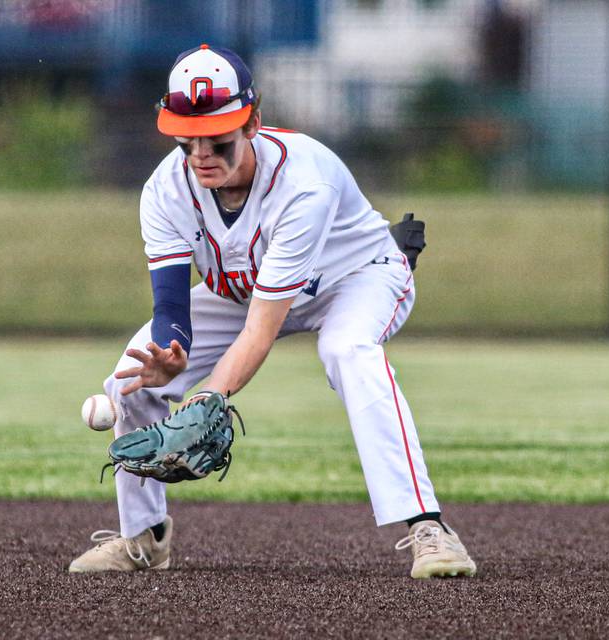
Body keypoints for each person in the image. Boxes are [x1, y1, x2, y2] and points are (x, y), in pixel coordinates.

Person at [68, 44, 476, 579]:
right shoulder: (165, 189)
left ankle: (429, 527)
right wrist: (172, 356)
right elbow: (171, 304)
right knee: (129, 378)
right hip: (251, 290)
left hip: (356, 277)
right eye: (187, 138)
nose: (200, 152)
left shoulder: (304, 181)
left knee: (347, 351)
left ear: (253, 123)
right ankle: (143, 537)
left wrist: (209, 394)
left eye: (217, 137)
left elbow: (261, 330)